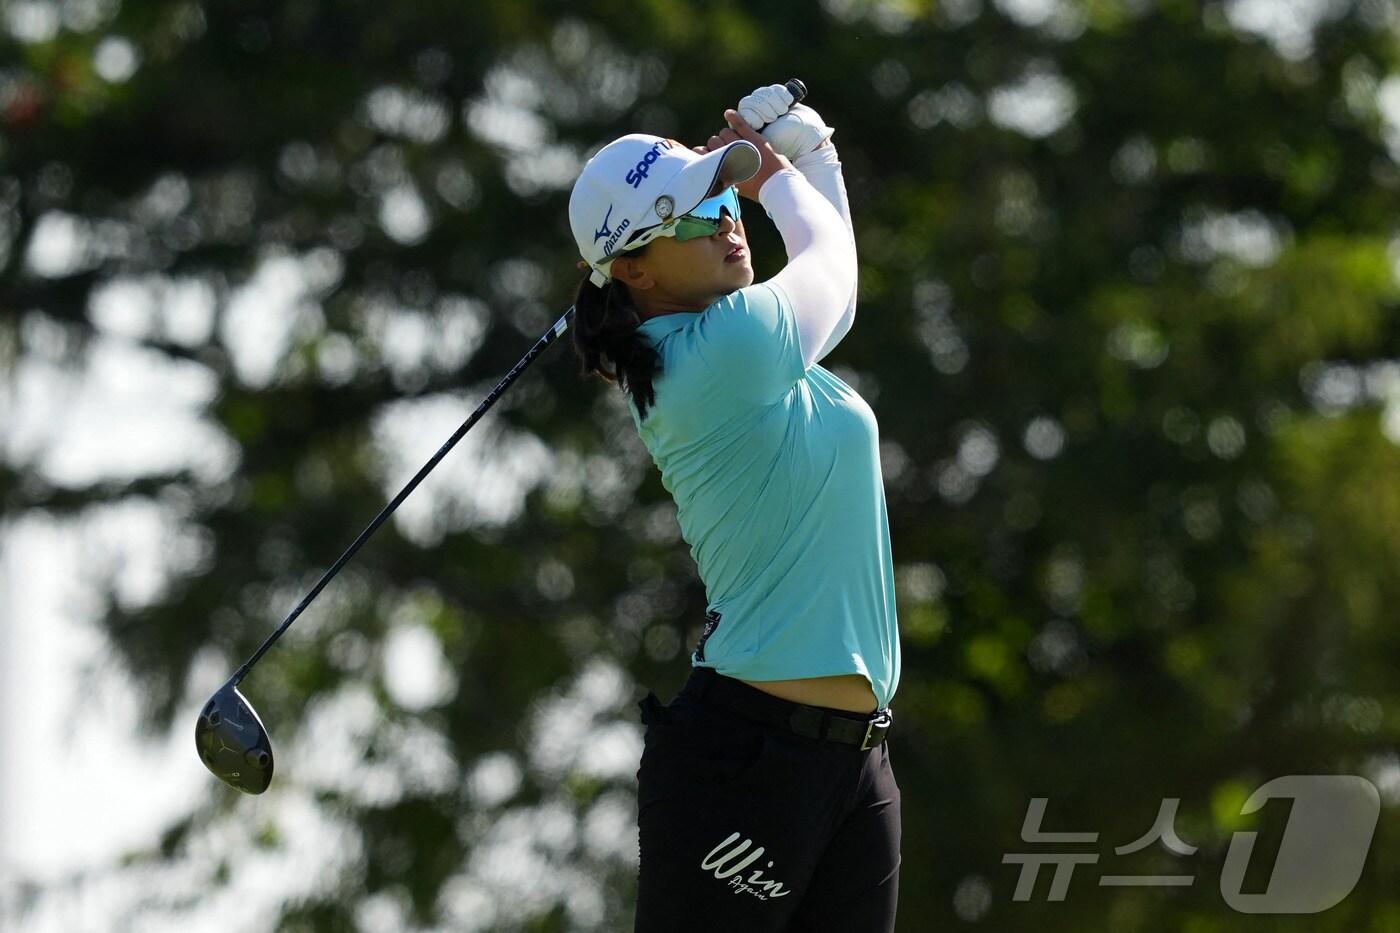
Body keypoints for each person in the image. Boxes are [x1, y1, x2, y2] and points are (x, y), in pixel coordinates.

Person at [567, 84, 901, 933]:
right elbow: (836, 273)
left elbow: (834, 275)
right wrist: (788, 171)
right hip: (747, 760)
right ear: (635, 269)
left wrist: (809, 162)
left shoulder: (742, 349)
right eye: (692, 212)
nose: (724, 217)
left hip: (858, 765)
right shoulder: (724, 355)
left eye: (723, 194)